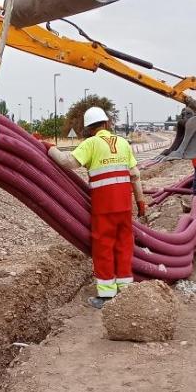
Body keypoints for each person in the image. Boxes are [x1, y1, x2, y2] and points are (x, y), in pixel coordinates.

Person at [44, 106, 147, 309]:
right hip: (124, 206)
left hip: (104, 206)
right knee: (124, 245)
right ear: (107, 123)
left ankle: (107, 296)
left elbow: (68, 162)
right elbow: (135, 175)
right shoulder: (123, 143)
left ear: (89, 129)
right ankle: (126, 292)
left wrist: (49, 148)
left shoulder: (91, 144)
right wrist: (141, 202)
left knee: (104, 247)